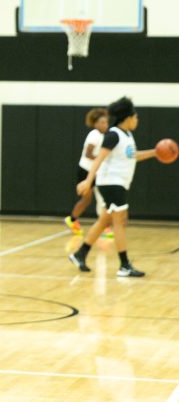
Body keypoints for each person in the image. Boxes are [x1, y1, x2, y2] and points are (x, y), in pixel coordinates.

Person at [68, 96, 157, 278]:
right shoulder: (113, 134)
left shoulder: (127, 136)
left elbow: (133, 156)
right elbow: (99, 159)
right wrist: (87, 181)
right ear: (128, 117)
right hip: (111, 183)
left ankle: (80, 254)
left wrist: (156, 152)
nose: (137, 120)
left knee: (105, 220)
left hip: (119, 183)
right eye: (136, 116)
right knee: (120, 220)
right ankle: (124, 265)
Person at [64, 108, 113, 238]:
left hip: (97, 172)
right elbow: (88, 153)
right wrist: (101, 158)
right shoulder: (94, 134)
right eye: (102, 122)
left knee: (102, 199)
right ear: (95, 123)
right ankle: (72, 220)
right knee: (86, 200)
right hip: (86, 170)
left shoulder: (105, 136)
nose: (105, 125)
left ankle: (104, 226)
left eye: (106, 122)